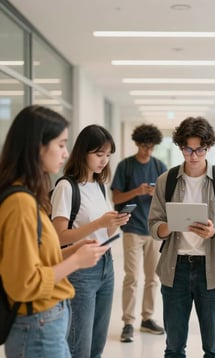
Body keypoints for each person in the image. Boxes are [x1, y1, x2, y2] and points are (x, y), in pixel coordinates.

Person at [0, 105, 110, 357]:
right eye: (60, 144)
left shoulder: (29, 197)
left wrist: (73, 251)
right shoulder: (20, 203)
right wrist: (77, 262)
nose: (66, 153)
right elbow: (24, 284)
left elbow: (37, 262)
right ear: (38, 146)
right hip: (37, 325)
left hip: (46, 320)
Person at [149, 116, 215, 358]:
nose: (194, 155)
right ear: (180, 147)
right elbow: (153, 226)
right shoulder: (166, 181)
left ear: (208, 147)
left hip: (211, 270)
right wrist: (169, 226)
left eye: (200, 149)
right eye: (188, 149)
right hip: (175, 268)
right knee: (174, 347)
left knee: (214, 347)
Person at [51, 124, 129, 358]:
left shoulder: (99, 185)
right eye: (98, 154)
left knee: (97, 343)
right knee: (79, 345)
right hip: (79, 269)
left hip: (105, 264)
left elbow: (101, 232)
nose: (104, 160)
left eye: (107, 155)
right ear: (82, 152)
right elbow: (59, 237)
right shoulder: (66, 187)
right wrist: (98, 224)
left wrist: (114, 223)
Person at [111, 124, 167, 343]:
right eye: (144, 146)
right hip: (132, 229)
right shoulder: (125, 166)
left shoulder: (160, 166)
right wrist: (137, 191)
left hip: (154, 230)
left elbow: (168, 200)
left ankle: (147, 318)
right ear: (137, 143)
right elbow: (116, 199)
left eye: (152, 147)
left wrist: (156, 195)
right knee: (132, 277)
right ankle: (128, 322)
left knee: (153, 278)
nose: (148, 151)